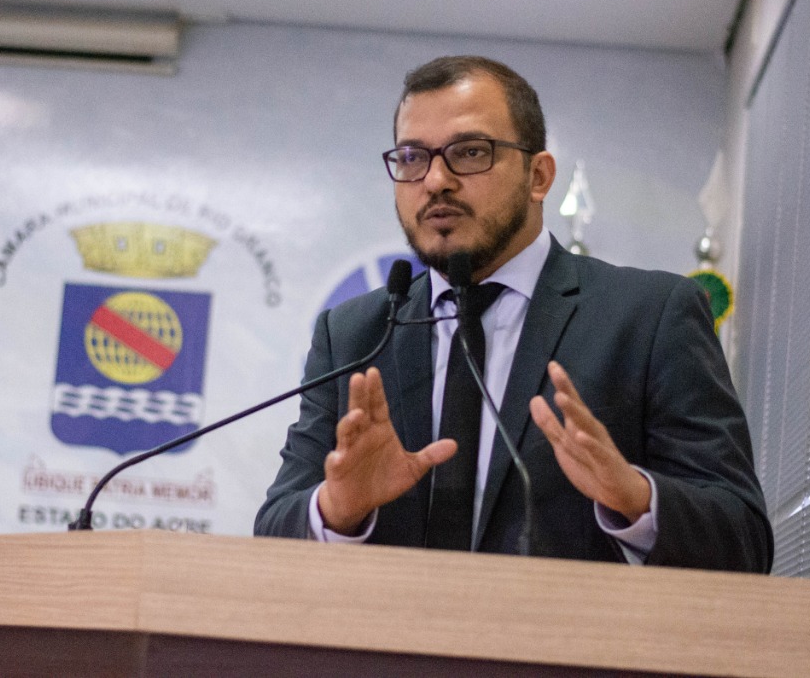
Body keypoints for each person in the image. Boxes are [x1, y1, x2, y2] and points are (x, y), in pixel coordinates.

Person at [254, 56, 772, 572]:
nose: (435, 180)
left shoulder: (649, 316)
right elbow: (275, 527)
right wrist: (337, 509)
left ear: (538, 176)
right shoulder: (354, 336)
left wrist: (635, 499)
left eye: (470, 152)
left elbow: (744, 540)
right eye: (412, 157)